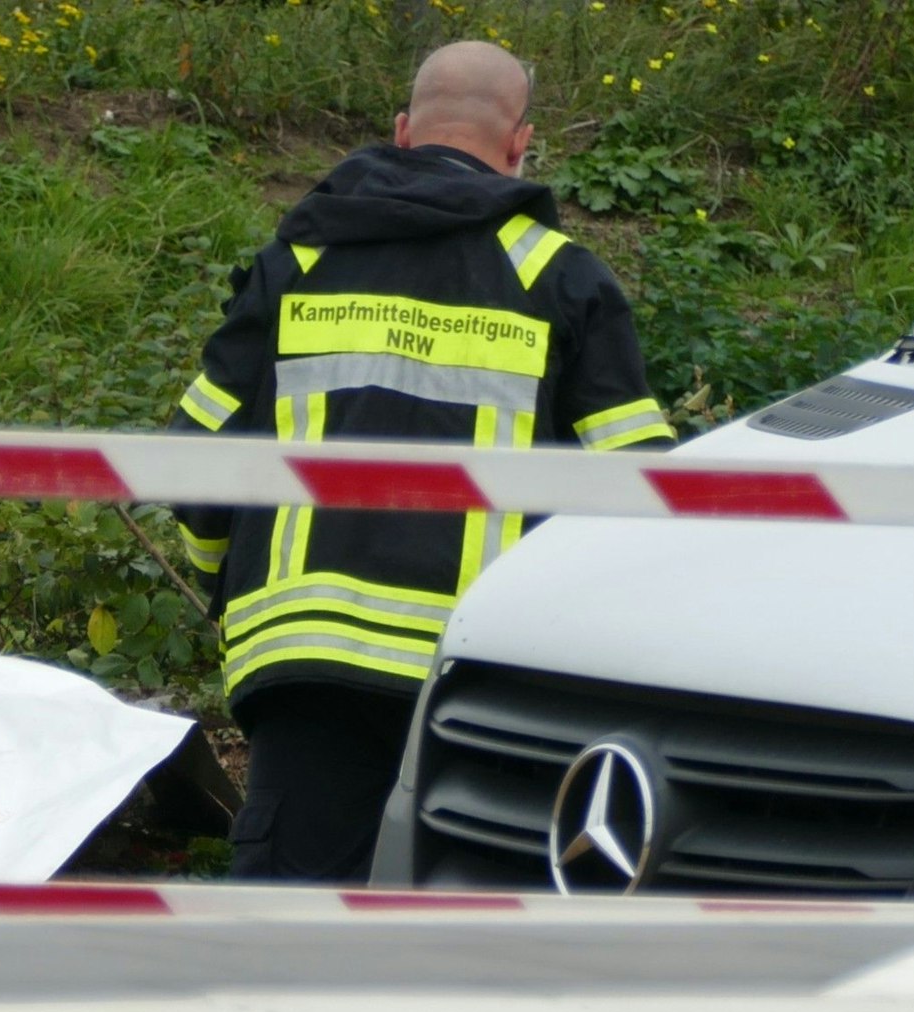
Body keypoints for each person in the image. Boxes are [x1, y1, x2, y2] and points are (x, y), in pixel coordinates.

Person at [169, 41, 676, 883]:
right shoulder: (559, 278)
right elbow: (641, 500)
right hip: (481, 674)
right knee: (459, 940)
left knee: (285, 944)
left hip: (309, 665)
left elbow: (192, 470)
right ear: (521, 144)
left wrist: (224, 590)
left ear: (402, 131)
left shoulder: (300, 261)